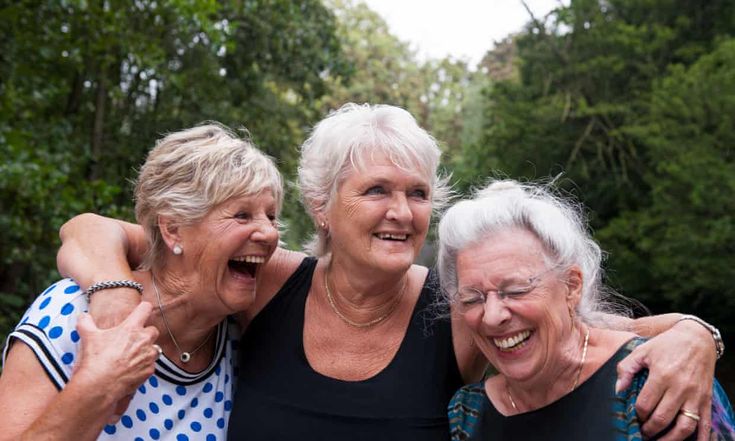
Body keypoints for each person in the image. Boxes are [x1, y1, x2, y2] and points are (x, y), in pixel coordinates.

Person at [56, 104, 720, 441]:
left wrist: (696, 334)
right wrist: (113, 296)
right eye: (376, 190)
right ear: (321, 204)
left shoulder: (454, 314)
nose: (401, 213)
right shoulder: (261, 280)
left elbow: (587, 333)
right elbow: (90, 231)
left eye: (418, 193)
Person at [0, 123, 282, 440]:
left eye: (270, 216)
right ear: (173, 229)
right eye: (242, 215)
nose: (270, 234)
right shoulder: (72, 314)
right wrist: (100, 385)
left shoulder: (240, 336)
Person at [438, 180, 734, 440]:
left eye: (515, 290)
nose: (492, 315)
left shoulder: (657, 380)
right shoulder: (468, 412)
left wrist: (697, 331)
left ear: (571, 286)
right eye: (472, 299)